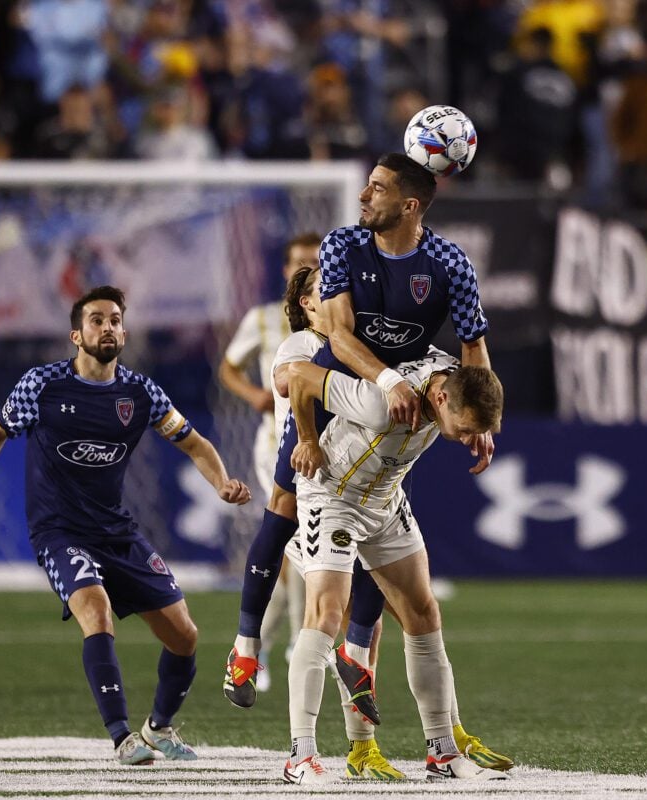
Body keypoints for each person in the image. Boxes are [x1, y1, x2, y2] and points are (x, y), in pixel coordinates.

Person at [0, 285, 252, 764]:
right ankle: (123, 738)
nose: (109, 327)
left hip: (117, 533)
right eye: (97, 320)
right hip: (59, 533)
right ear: (76, 334)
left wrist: (221, 482)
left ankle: (158, 728)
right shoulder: (43, 386)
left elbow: (195, 443)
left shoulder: (140, 393)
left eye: (116, 319)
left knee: (185, 636)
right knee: (95, 610)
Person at [225, 153, 495, 702]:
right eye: (366, 185)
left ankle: (354, 651)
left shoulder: (451, 263)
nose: (363, 195)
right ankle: (246, 644)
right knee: (282, 509)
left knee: (381, 526)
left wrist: (484, 417)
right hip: (337, 392)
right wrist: (381, 383)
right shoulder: (343, 244)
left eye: (376, 188)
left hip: (397, 406)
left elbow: (474, 349)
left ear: (410, 204)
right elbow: (340, 337)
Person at [282, 355, 506, 784]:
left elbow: (472, 360)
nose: (464, 439)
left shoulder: (454, 379)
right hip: (333, 498)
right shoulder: (381, 401)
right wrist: (308, 438)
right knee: (327, 614)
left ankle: (442, 754)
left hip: (384, 501)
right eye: (463, 429)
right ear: (440, 399)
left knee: (423, 613)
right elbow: (298, 375)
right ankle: (300, 757)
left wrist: (478, 428)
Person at [219, 232, 321, 691]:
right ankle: (298, 647)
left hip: (323, 443)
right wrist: (254, 394)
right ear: (285, 270)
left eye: (316, 262)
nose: (309, 269)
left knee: (301, 554)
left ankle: (256, 645)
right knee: (299, 546)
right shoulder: (263, 320)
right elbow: (228, 368)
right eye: (300, 262)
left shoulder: (336, 314)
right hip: (277, 445)